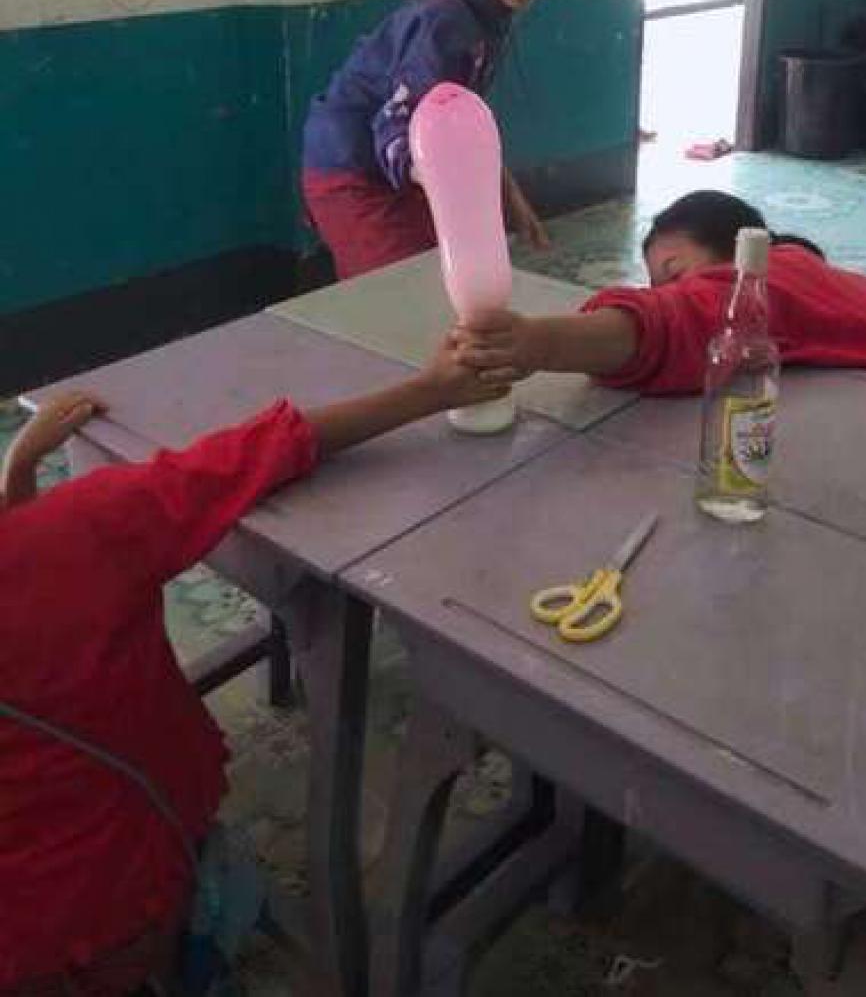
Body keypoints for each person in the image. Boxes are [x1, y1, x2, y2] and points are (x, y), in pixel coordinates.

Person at [0, 345, 507, 996]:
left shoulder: (55, 536)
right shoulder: (82, 529)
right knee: (193, 915)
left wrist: (18, 479)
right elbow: (256, 452)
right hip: (120, 900)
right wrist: (431, 391)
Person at [301, 0, 565, 279]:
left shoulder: (487, 16)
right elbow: (396, 122)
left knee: (439, 278)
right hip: (353, 169)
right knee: (402, 289)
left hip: (397, 165)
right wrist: (450, 190)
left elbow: (461, 124)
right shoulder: (447, 20)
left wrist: (509, 197)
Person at [453, 189, 866, 394]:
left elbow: (672, 321)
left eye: (675, 273)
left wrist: (538, 343)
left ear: (737, 250)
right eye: (656, 284)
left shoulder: (770, 282)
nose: (668, 292)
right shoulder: (805, 269)